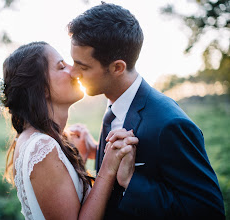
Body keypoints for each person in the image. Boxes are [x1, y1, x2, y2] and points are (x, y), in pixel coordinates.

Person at [67, 2, 225, 219]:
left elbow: (209, 212)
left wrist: (132, 181)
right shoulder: (115, 106)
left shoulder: (170, 124)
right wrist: (97, 149)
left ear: (117, 68)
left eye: (83, 66)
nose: (73, 72)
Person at [0, 41, 139, 219]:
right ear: (42, 89)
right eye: (61, 66)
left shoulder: (37, 139)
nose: (74, 70)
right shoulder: (42, 147)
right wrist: (107, 168)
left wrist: (79, 158)